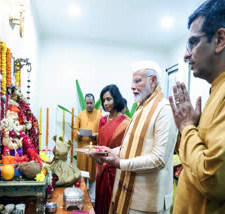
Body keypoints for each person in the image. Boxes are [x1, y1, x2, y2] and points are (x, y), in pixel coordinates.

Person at [168, 0, 225, 213]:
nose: (186, 54)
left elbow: (214, 180)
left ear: (219, 40)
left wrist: (187, 128)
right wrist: (195, 128)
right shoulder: (220, 86)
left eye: (193, 43)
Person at [94, 61, 177, 214]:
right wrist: (108, 152)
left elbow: (159, 159)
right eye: (132, 81)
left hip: (147, 200)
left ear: (153, 81)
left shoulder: (164, 110)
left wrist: (119, 163)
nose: (132, 86)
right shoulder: (140, 109)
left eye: (137, 81)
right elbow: (128, 146)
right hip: (127, 193)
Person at [95, 84, 130, 214]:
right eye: (103, 100)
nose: (105, 103)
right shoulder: (102, 121)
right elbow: (99, 145)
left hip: (116, 170)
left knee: (113, 203)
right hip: (100, 167)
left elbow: (126, 150)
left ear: (116, 99)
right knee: (100, 200)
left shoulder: (126, 122)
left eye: (109, 99)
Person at [73, 93, 102, 203]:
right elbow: (75, 129)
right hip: (82, 148)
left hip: (93, 148)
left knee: (93, 174)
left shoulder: (99, 116)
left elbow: (102, 132)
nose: (89, 105)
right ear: (85, 103)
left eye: (91, 103)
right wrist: (78, 134)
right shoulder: (80, 115)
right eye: (87, 103)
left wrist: (95, 135)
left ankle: (93, 200)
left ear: (94, 103)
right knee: (82, 173)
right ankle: (81, 198)